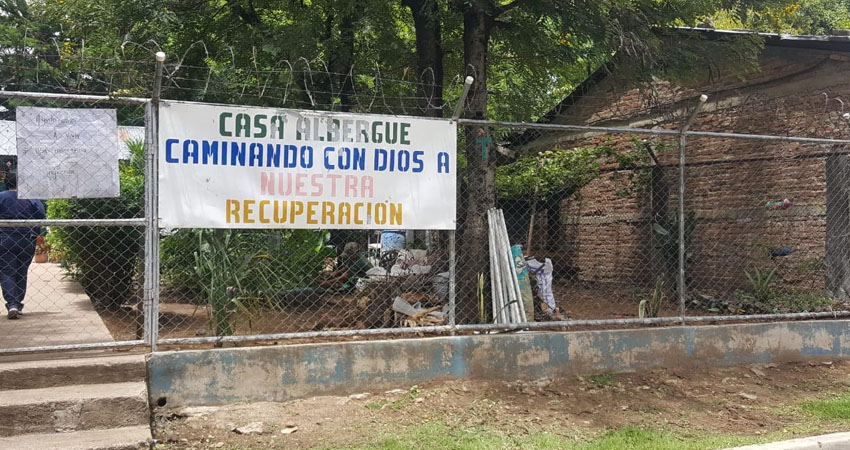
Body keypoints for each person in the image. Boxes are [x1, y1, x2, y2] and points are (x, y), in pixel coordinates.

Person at [0, 172, 46, 319]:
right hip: (27, 238)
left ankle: (12, 304)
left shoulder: (2, 197)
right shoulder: (31, 198)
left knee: (7, 271)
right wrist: (38, 232)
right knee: (21, 271)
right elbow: (41, 213)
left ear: (6, 183)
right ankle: (17, 303)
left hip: (4, 238)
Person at [276, 242, 372, 303]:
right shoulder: (354, 257)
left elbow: (344, 277)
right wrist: (334, 273)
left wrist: (326, 283)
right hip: (358, 279)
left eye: (349, 254)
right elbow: (346, 268)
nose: (348, 256)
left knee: (335, 287)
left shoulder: (360, 261)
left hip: (366, 281)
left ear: (355, 252)